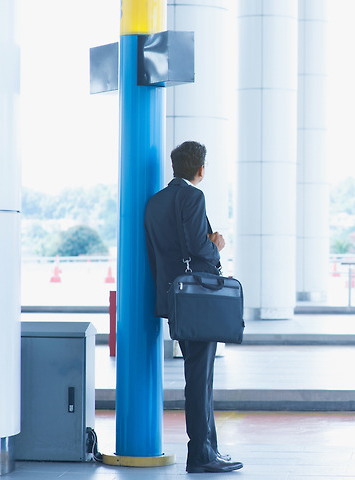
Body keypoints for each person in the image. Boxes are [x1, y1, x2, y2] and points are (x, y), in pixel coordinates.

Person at [144, 141, 243, 474]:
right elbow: (197, 246)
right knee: (201, 379)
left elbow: (158, 255)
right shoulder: (193, 197)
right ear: (201, 168)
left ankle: (208, 448)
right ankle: (201, 454)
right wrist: (216, 245)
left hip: (174, 299)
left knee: (197, 375)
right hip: (197, 300)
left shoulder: (155, 202)